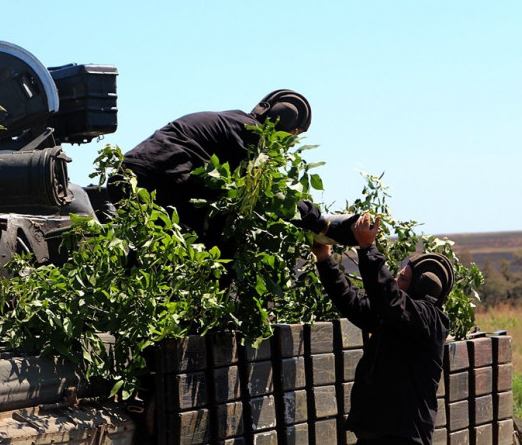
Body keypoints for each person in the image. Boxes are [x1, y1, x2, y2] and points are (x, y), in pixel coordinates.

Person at [310, 213, 453, 445]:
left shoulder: (428, 320)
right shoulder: (397, 318)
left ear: (420, 285)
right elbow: (354, 304)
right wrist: (325, 260)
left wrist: (368, 248)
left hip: (401, 438)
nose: (396, 283)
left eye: (403, 279)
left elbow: (389, 298)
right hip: (375, 435)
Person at [107, 89, 312, 247]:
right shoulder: (252, 135)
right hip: (160, 180)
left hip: (124, 177)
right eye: (293, 136)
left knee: (145, 249)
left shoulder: (232, 121)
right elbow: (272, 194)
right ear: (284, 130)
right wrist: (316, 220)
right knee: (219, 237)